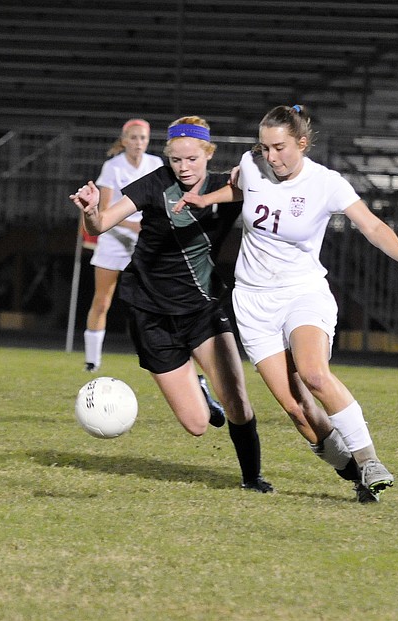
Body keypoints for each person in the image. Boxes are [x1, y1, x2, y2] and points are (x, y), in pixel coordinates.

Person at [175, 104, 398, 502]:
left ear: (302, 144)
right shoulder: (252, 164)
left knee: (314, 374)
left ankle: (370, 458)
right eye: (264, 148)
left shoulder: (327, 183)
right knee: (299, 410)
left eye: (279, 148)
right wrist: (209, 200)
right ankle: (356, 473)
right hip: (253, 303)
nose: (271, 157)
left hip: (302, 293)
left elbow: (372, 225)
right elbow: (243, 187)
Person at [70, 116, 273, 493]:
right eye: (177, 160)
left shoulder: (226, 188)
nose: (184, 167)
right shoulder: (154, 183)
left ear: (207, 154)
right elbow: (99, 226)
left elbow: (266, 180)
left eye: (192, 159)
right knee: (197, 425)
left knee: (239, 404)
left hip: (203, 311)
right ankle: (198, 388)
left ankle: (252, 479)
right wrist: (91, 208)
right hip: (150, 314)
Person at [83, 119, 164, 373]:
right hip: (114, 238)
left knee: (155, 299)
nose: (138, 143)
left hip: (145, 241)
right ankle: (92, 361)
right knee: (102, 300)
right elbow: (106, 211)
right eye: (134, 138)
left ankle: (159, 355)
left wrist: (151, 228)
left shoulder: (156, 165)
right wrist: (133, 226)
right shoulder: (112, 167)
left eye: (143, 138)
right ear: (125, 139)